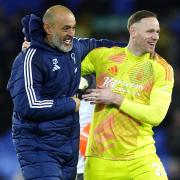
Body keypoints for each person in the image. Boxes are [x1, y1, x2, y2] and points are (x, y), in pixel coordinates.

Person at [7, 5, 126, 180]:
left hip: (67, 146)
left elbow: (102, 46)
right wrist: (70, 103)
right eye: (65, 28)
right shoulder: (31, 57)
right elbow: (27, 105)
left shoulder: (75, 48)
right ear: (48, 28)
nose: (71, 33)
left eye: (73, 27)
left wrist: (137, 49)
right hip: (39, 146)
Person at [81, 10, 174, 179]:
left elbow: (156, 116)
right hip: (100, 160)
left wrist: (115, 98)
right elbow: (65, 73)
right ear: (133, 31)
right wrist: (34, 51)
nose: (156, 37)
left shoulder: (161, 69)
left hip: (140, 159)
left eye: (158, 32)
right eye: (150, 31)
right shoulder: (103, 56)